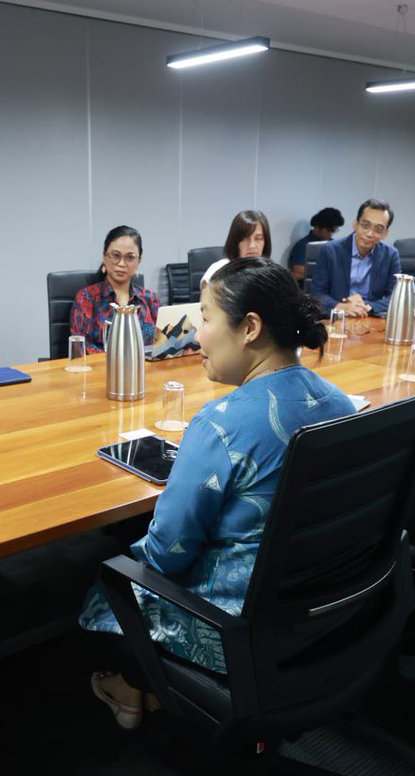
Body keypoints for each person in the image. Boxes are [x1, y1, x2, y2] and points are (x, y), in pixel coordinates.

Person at [78, 258, 356, 729]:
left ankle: (133, 684)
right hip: (328, 610)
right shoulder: (339, 402)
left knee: (108, 578)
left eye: (205, 318)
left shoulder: (221, 424)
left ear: (249, 328)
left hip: (237, 631)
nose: (197, 335)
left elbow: (167, 556)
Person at [69, 226, 160, 353]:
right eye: (115, 256)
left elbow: (162, 344)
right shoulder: (86, 298)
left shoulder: (150, 299)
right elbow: (80, 348)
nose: (122, 264)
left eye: (130, 257)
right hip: (101, 371)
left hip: (144, 370)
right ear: (105, 257)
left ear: (138, 261)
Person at [310, 199, 400, 318]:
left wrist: (368, 306)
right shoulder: (330, 251)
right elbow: (316, 293)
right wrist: (339, 306)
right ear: (355, 225)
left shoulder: (390, 255)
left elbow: (396, 297)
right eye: (365, 225)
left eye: (378, 229)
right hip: (336, 319)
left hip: (369, 319)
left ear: (385, 234)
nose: (369, 234)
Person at [199, 210, 272, 289]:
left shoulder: (272, 274)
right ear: (235, 241)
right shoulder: (217, 271)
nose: (252, 245)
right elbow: (207, 301)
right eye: (245, 238)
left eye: (258, 238)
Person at [287, 207, 344, 282]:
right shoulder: (303, 245)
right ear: (318, 227)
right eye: (330, 230)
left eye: (334, 230)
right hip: (309, 288)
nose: (331, 234)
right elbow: (298, 272)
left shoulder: (334, 244)